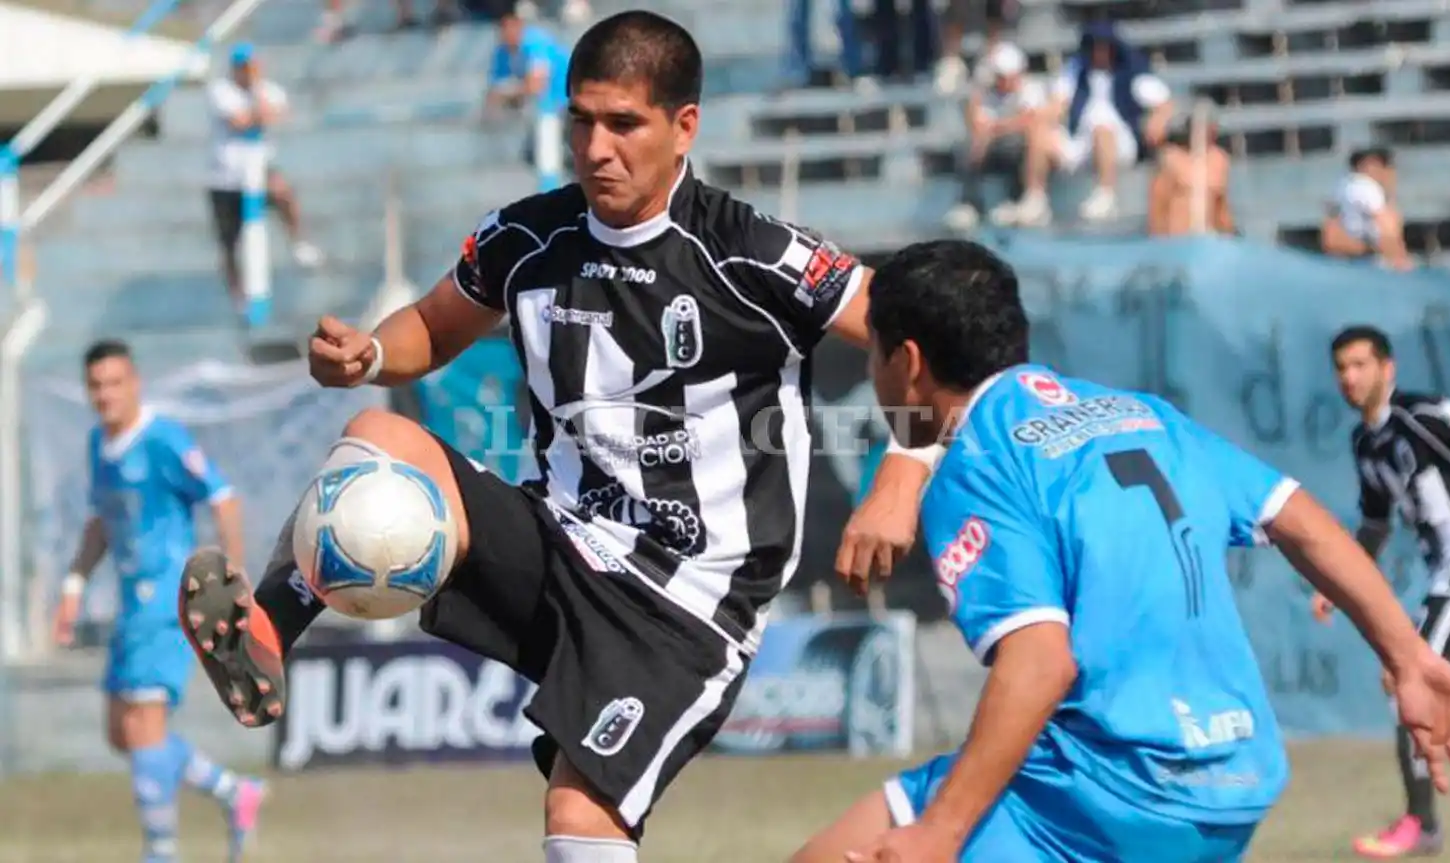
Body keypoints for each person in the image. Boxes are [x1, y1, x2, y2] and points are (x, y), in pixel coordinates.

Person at [178, 11, 931, 862]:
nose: (596, 148)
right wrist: (372, 354)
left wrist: (902, 474)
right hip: (562, 542)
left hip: (687, 603)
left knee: (580, 810)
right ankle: (268, 631)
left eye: (623, 124)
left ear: (684, 126)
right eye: (581, 121)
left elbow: (922, 336)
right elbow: (433, 324)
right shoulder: (529, 236)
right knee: (379, 436)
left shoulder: (751, 252)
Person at [792, 241, 1450, 863]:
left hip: (1109, 789)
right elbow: (1301, 518)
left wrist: (940, 833)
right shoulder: (1146, 413)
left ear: (907, 361)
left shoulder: (977, 466)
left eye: (873, 350)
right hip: (1239, 775)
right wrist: (1407, 658)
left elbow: (1039, 662)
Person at [53, 340, 266, 863]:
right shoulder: (100, 446)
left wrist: (232, 577)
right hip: (131, 607)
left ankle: (160, 853)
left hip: (169, 602)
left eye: (114, 383)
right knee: (121, 734)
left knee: (144, 730)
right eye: (96, 385)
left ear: (135, 383)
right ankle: (233, 791)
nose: (105, 394)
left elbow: (224, 498)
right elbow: (102, 521)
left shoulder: (163, 440)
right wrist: (74, 584)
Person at [1321, 325, 1450, 858]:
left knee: (1410, 680)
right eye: (1342, 368)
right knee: (1413, 679)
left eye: (1361, 364)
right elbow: (1376, 524)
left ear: (1387, 367)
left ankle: (1422, 825)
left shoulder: (1422, 415)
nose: (1350, 377)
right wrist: (1336, 580)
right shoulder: (1366, 443)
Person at [1001, 21, 1174, 226]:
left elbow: (1164, 104)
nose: (1099, 52)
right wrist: (1032, 120)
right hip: (1082, 141)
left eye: (1104, 46)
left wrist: (1157, 120)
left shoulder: (1132, 72)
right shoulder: (1075, 71)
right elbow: (1057, 105)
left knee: (1101, 125)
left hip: (1119, 143)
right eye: (1095, 46)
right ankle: (1035, 200)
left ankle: (1106, 196)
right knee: (1040, 134)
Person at [206, 42, 324, 316]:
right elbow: (240, 121)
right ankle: (238, 296)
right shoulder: (221, 91)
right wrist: (259, 113)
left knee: (283, 193)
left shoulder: (268, 89)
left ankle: (299, 242)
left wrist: (256, 92)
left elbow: (276, 115)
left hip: (259, 167)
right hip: (225, 176)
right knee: (229, 243)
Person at [944, 41, 1045, 232]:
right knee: (969, 145)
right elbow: (976, 120)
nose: (1001, 80)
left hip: (1015, 144)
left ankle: (1019, 199)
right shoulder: (987, 91)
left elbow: (1029, 120)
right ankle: (969, 203)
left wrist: (996, 128)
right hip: (991, 144)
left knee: (1023, 145)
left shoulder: (1030, 89)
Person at [483, 5, 570, 192]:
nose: (507, 33)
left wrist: (509, 92)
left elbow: (536, 83)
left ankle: (550, 194)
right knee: (532, 156)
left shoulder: (536, 42)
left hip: (561, 104)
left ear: (519, 25)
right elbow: (493, 90)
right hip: (537, 109)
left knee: (547, 156)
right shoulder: (503, 51)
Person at [1321, 148, 1414, 271]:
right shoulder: (1366, 187)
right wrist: (1400, 260)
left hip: (1346, 262)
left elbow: (1330, 236)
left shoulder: (1343, 186)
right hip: (1369, 262)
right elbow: (1386, 228)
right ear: (1370, 164)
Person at [1147, 111, 1235, 237]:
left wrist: (1229, 234)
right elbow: (1157, 205)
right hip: (1177, 239)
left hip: (1208, 238)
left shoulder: (1219, 160)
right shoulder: (1172, 159)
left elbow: (1221, 206)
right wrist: (1159, 240)